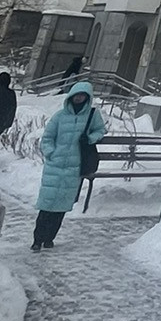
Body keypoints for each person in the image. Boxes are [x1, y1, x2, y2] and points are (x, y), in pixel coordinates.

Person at [33, 80, 105, 250]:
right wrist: (51, 153)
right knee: (46, 206)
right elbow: (47, 137)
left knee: (61, 208)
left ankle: (49, 238)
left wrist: (90, 138)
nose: (78, 98)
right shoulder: (59, 116)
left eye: (82, 96)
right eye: (76, 95)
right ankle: (37, 240)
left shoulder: (92, 115)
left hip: (75, 166)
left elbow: (100, 131)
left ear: (87, 97)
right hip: (54, 166)